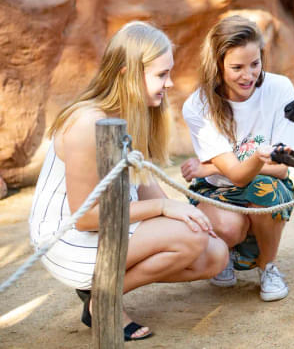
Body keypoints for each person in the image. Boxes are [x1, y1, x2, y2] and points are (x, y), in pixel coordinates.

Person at [28, 21, 229, 341]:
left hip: (113, 221)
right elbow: (86, 217)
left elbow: (145, 183)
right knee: (189, 240)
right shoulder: (87, 122)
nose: (171, 83)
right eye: (161, 75)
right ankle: (102, 299)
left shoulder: (135, 112)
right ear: (127, 73)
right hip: (68, 239)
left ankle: (102, 291)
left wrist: (181, 212)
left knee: (215, 252)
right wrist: (164, 209)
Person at [180, 15, 294, 302]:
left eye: (255, 64)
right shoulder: (198, 105)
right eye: (237, 67)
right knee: (230, 227)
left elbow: (284, 168)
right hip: (218, 189)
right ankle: (228, 252)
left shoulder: (280, 88)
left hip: (264, 188)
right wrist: (261, 159)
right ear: (218, 66)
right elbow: (233, 176)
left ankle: (267, 266)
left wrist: (208, 167)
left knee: (263, 187)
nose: (248, 75)